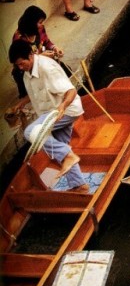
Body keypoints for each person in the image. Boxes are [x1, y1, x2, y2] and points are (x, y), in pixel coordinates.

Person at [7, 40, 88, 192]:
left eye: (21, 63)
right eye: (17, 65)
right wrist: (19, 105)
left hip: (66, 110)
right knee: (61, 146)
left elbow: (71, 91)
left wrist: (62, 107)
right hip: (50, 113)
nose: (20, 67)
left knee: (31, 132)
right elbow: (34, 93)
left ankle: (68, 156)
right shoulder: (26, 73)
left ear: (30, 55)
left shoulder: (47, 67)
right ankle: (80, 185)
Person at [11, 5, 64, 96]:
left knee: (63, 71)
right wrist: (40, 57)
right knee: (35, 92)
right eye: (40, 22)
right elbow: (21, 60)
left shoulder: (40, 29)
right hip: (27, 68)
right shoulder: (19, 38)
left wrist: (54, 48)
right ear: (31, 22)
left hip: (41, 62)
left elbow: (47, 42)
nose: (42, 24)